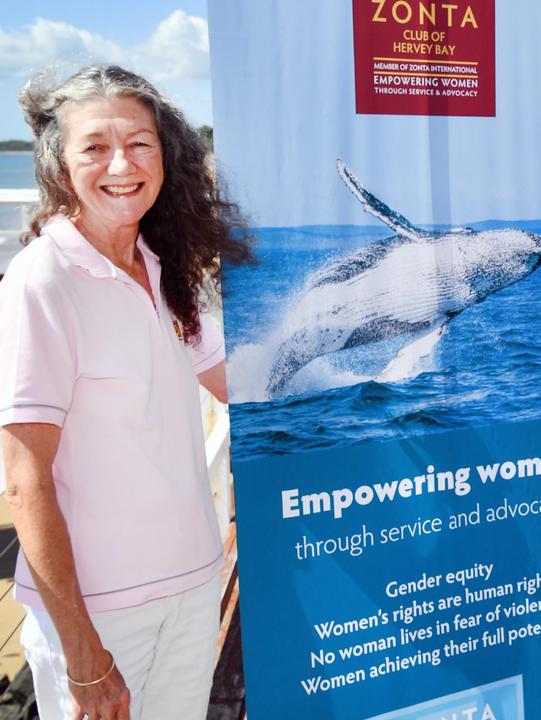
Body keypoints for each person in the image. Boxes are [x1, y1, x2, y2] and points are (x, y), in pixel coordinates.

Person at [0, 65, 251, 720]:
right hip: (101, 615)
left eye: (141, 142)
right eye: (95, 147)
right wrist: (82, 652)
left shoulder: (161, 268)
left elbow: (244, 386)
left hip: (194, 587)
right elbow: (26, 483)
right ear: (60, 167)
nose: (123, 163)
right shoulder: (41, 282)